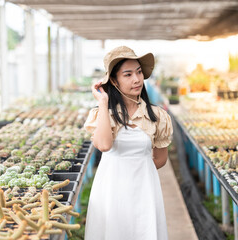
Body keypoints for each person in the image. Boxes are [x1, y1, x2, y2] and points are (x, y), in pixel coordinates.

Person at [84, 46, 173, 240]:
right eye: (128, 74)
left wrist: (138, 171)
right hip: (111, 188)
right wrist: (103, 101)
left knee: (144, 230)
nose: (137, 79)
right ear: (114, 80)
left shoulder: (158, 116)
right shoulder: (103, 114)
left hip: (144, 188)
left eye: (139, 72)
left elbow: (160, 159)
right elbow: (104, 145)